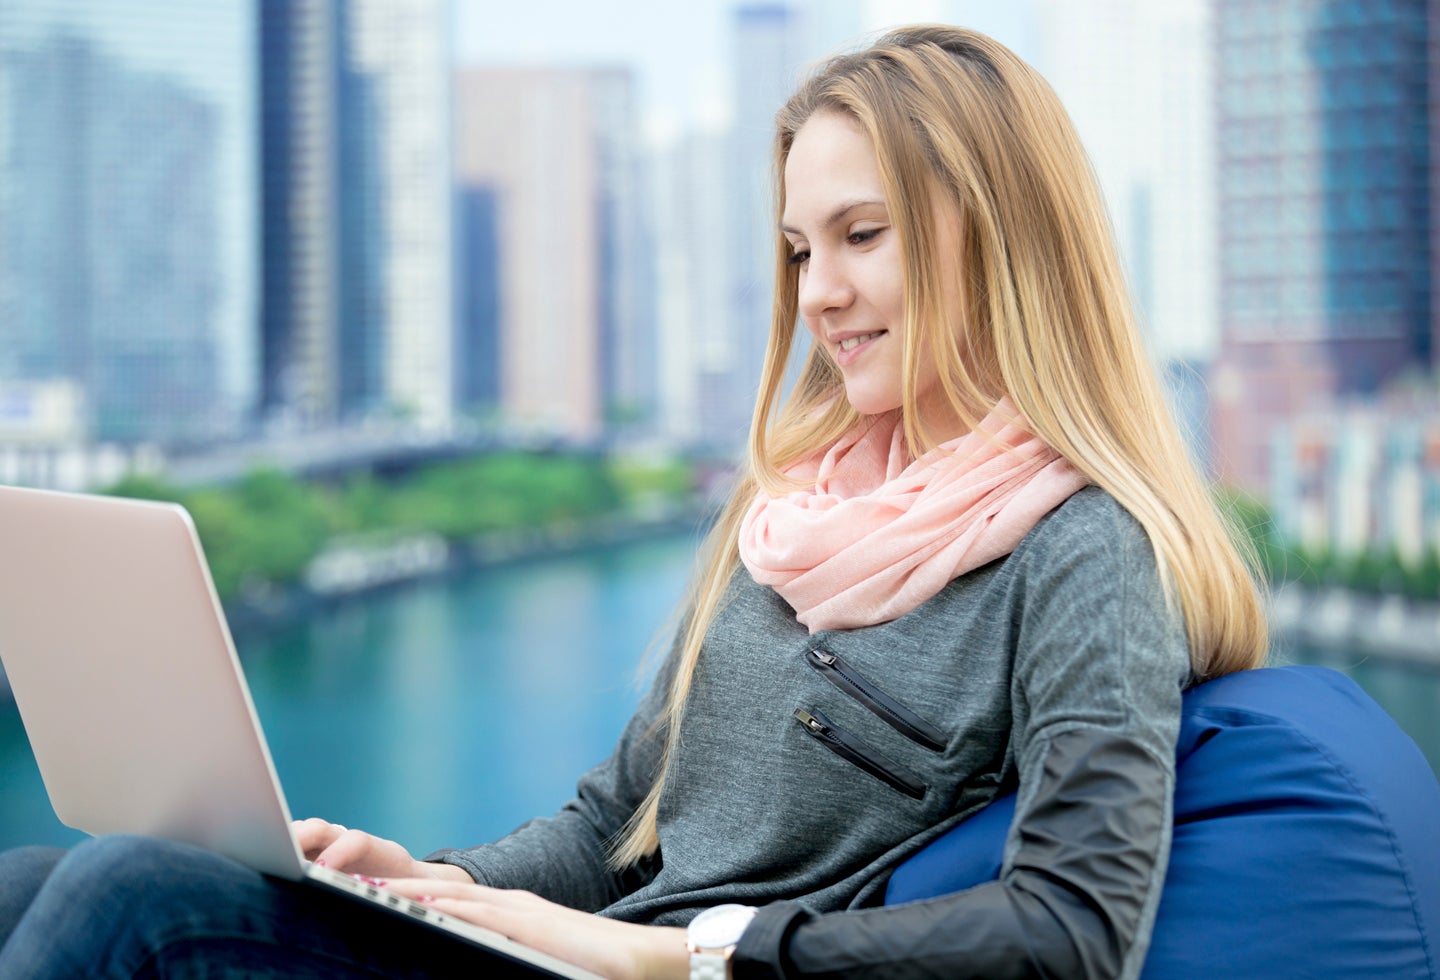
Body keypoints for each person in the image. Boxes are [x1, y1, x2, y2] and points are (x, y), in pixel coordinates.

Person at [0, 24, 1266, 980]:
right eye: (798, 248)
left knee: (130, 899)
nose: (818, 291)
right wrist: (428, 880)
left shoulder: (1084, 548)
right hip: (563, 952)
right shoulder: (789, 513)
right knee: (24, 883)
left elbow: (1072, 927)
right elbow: (619, 818)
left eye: (861, 233)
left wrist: (691, 953)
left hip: (650, 975)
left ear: (1000, 235)